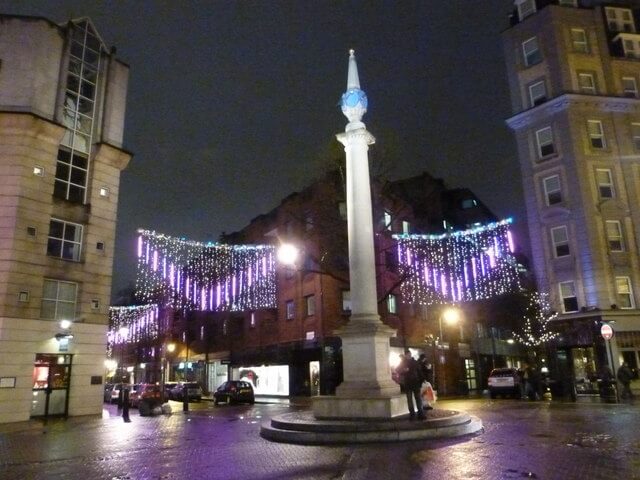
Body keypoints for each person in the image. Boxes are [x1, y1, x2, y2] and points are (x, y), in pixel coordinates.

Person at [397, 350, 425, 420]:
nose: (409, 356)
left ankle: (420, 413)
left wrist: (422, 379)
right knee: (410, 400)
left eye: (409, 354)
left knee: (418, 399)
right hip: (408, 383)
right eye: (407, 355)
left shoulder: (415, 362)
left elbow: (419, 371)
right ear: (406, 355)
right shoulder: (403, 363)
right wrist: (403, 371)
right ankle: (412, 414)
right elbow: (397, 370)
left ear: (410, 354)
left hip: (415, 382)